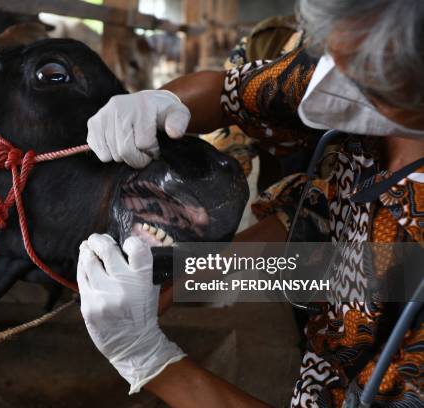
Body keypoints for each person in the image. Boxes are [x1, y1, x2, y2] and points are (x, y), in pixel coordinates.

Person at [77, 0, 424, 407]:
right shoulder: (356, 52)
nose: (341, 82)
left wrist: (151, 361)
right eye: (336, 60)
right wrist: (159, 103)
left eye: (370, 81)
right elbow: (235, 94)